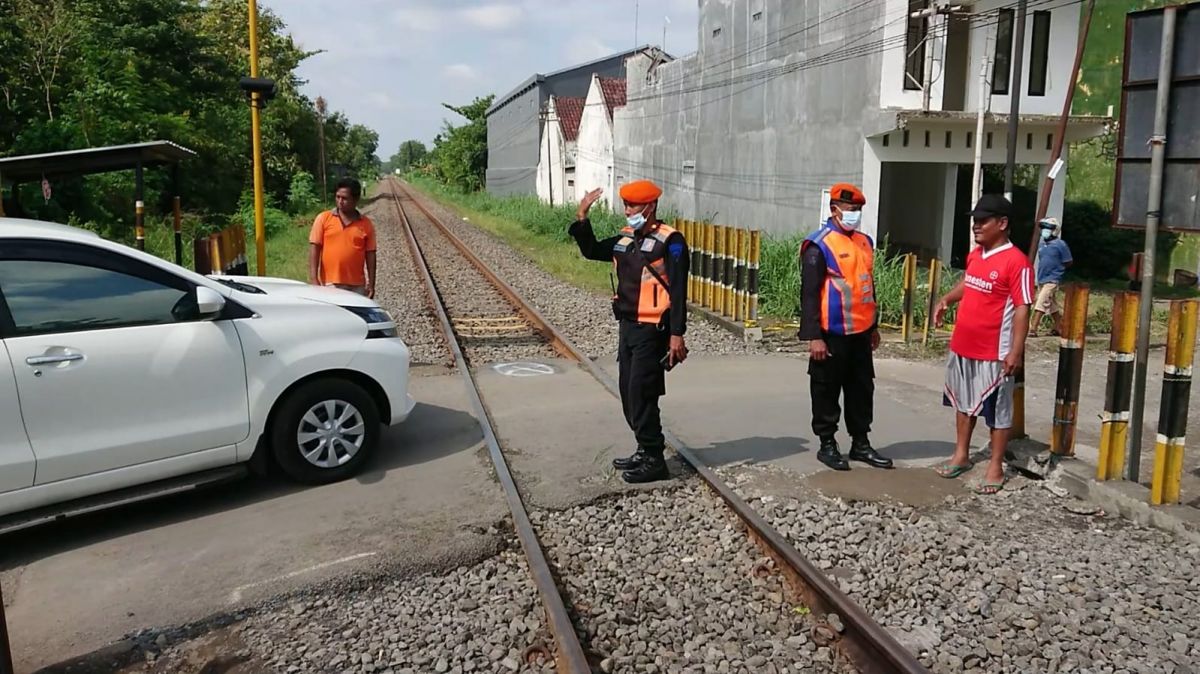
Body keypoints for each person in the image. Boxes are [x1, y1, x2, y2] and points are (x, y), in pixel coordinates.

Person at [569, 179, 689, 483]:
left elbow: (678, 291)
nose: (627, 211)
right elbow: (592, 250)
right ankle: (643, 447)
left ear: (649, 207)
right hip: (628, 328)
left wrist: (677, 334)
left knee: (642, 393)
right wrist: (582, 217)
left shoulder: (671, 241)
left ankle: (654, 459)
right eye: (625, 205)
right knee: (627, 393)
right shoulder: (625, 239)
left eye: (632, 206)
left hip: (653, 330)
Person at [933, 194, 1035, 494]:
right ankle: (961, 455)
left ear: (1002, 224)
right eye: (974, 221)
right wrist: (948, 299)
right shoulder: (976, 254)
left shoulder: (1018, 263)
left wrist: (1016, 351)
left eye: (983, 221)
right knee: (963, 404)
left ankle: (995, 465)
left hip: (995, 351)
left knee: (997, 409)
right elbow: (970, 280)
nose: (976, 226)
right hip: (963, 344)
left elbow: (1022, 308)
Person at [798, 183, 892, 471]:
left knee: (861, 389)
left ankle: (860, 443)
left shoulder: (865, 242)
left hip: (861, 333)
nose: (855, 215)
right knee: (826, 390)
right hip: (831, 334)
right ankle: (828, 444)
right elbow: (810, 294)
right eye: (851, 210)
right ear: (835, 209)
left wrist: (873, 326)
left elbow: (867, 286)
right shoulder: (819, 245)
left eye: (858, 211)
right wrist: (814, 336)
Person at [309, 178, 377, 297]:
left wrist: (371, 284)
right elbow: (315, 248)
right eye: (338, 197)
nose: (340, 201)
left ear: (355, 199)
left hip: (357, 286)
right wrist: (314, 279)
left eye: (345, 198)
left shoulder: (366, 224)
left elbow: (370, 255)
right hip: (330, 284)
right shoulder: (323, 219)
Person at [1030, 217, 1072, 337]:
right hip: (1042, 278)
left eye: (1047, 228)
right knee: (1051, 305)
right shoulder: (1042, 244)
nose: (1045, 230)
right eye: (1043, 228)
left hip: (1053, 279)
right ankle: (1059, 327)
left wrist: (1058, 271)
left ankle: (1033, 328)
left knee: (1041, 302)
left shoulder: (1060, 245)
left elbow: (1068, 261)